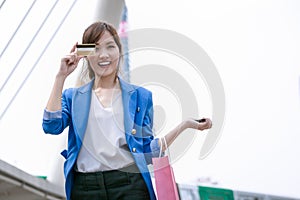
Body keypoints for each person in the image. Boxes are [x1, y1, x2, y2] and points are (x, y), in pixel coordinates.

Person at [42, 21, 212, 200]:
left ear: (119, 51)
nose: (104, 55)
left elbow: (148, 151)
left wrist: (184, 125)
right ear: (84, 54)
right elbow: (51, 126)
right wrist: (61, 76)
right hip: (85, 188)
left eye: (110, 47)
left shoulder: (141, 97)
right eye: (96, 48)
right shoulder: (73, 97)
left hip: (130, 185)